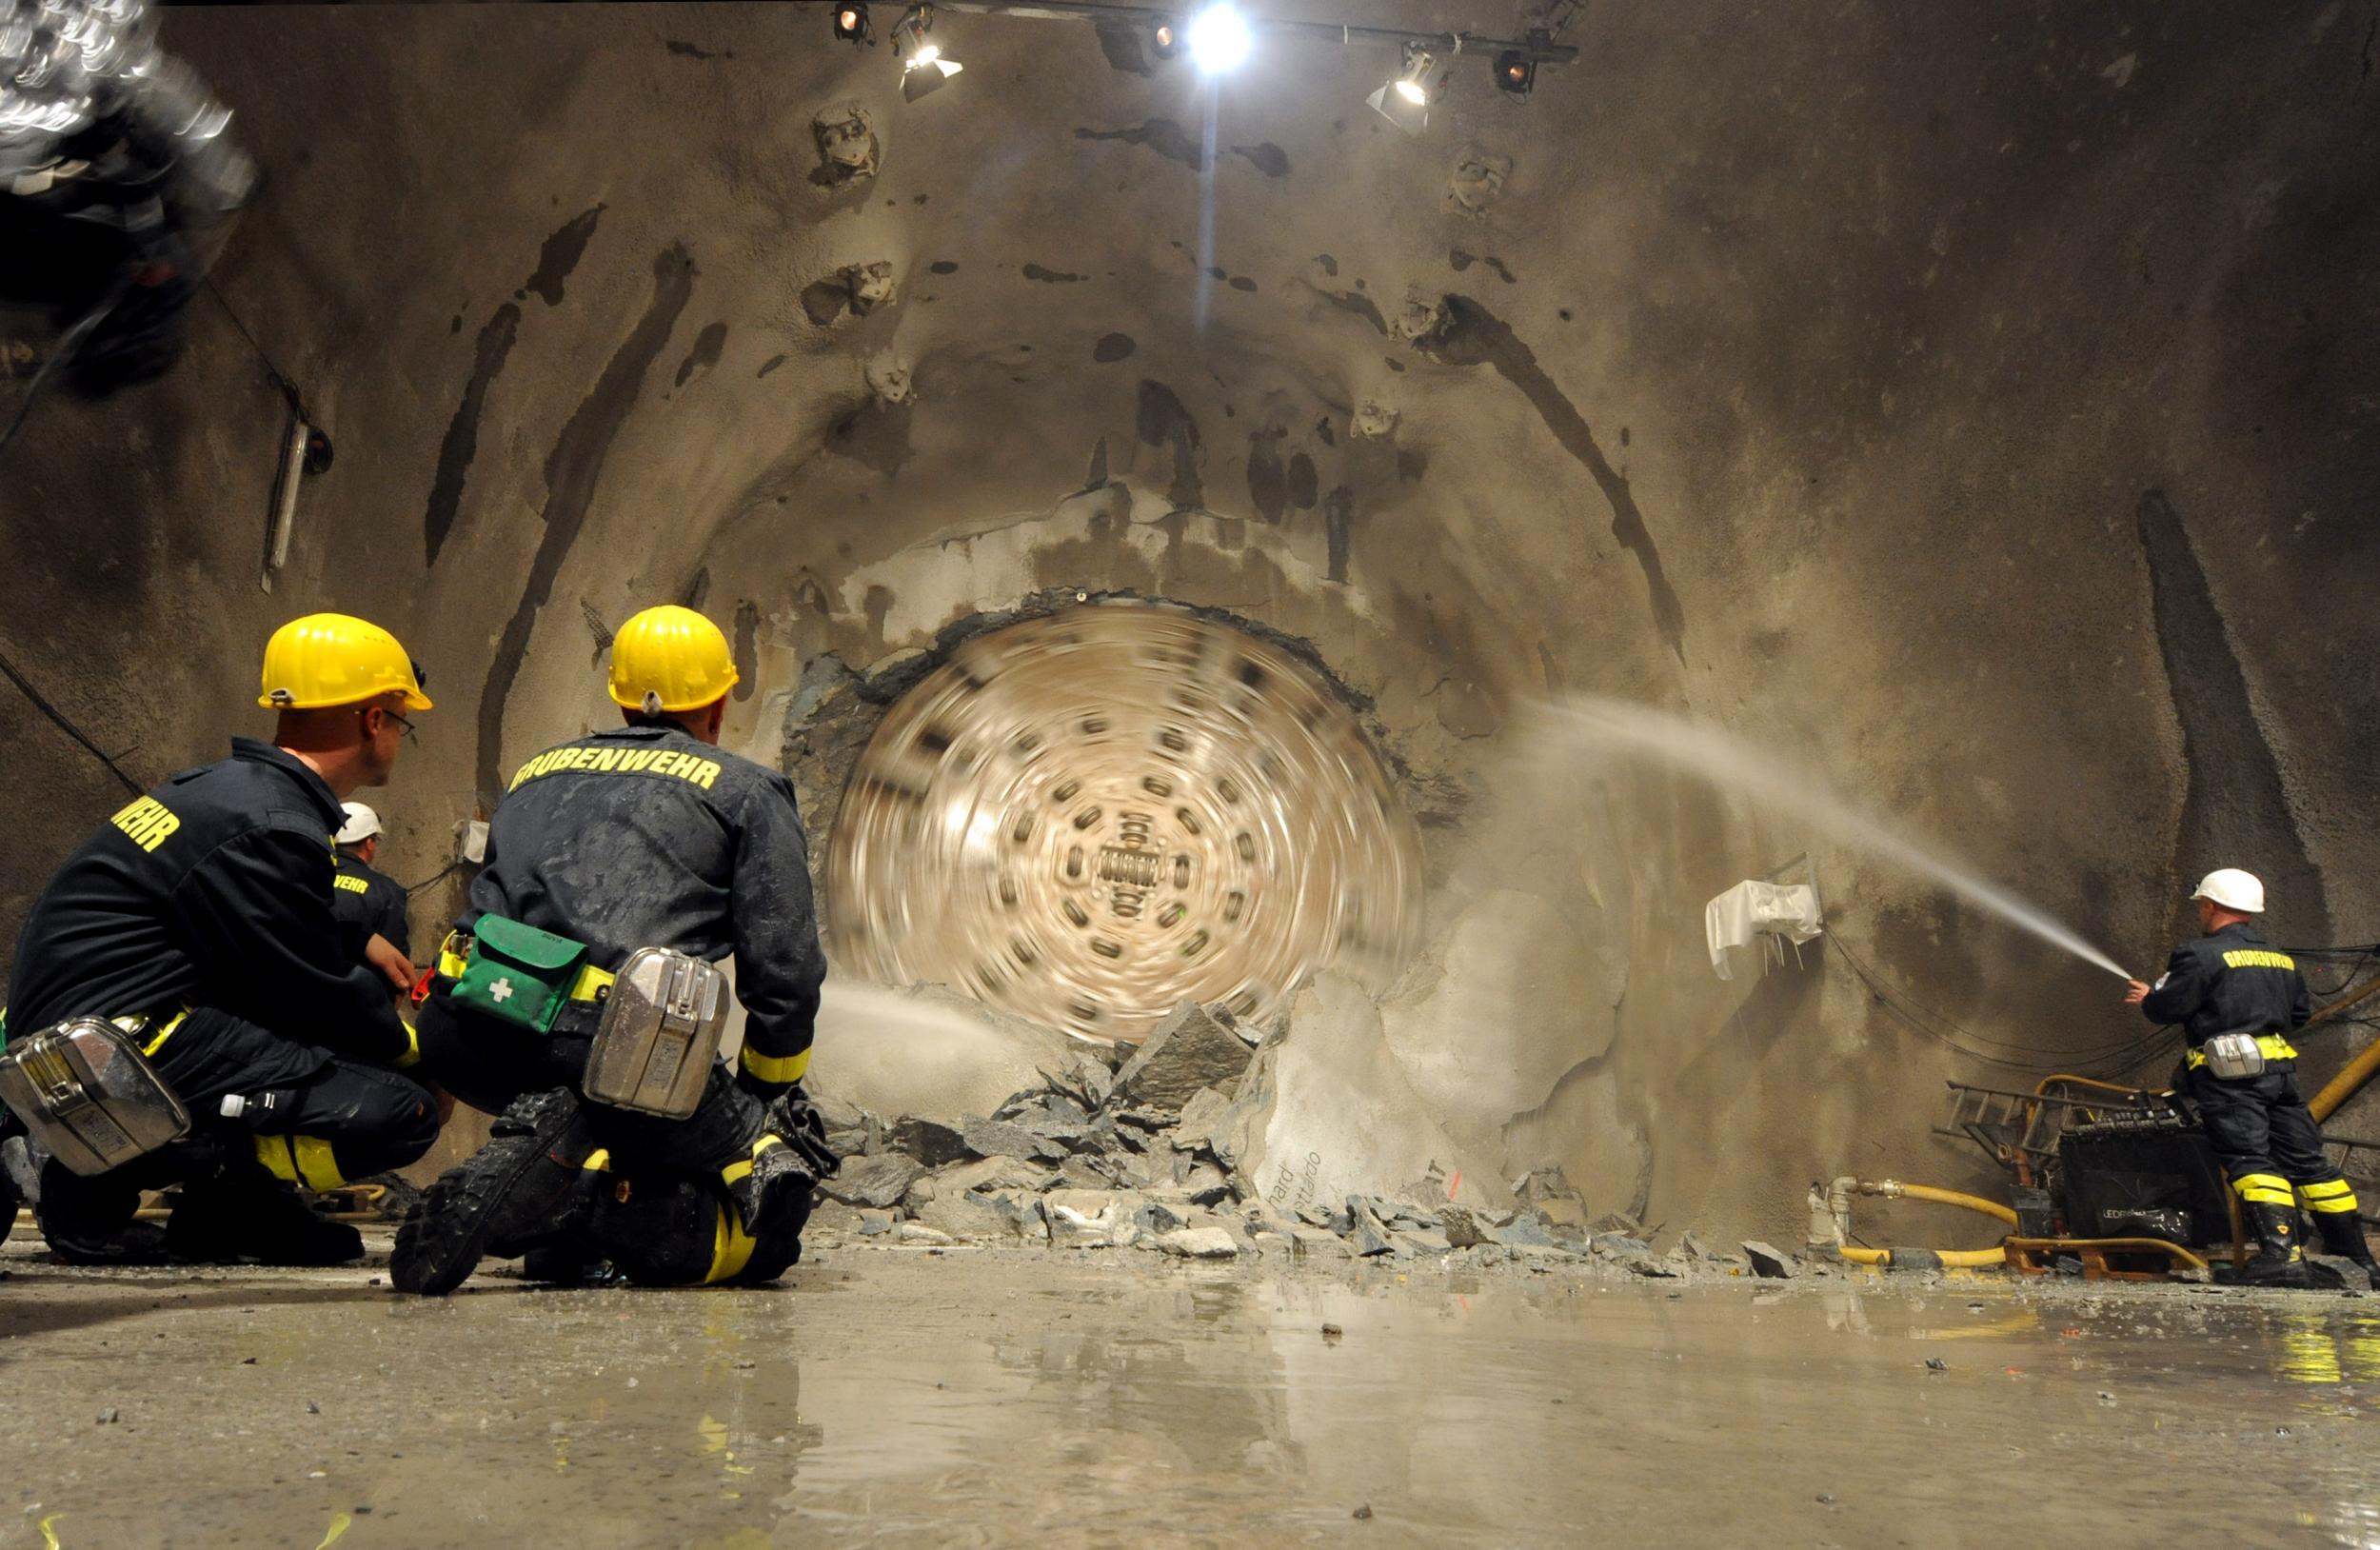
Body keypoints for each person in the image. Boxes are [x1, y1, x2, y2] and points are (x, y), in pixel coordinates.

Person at [394, 605, 834, 1295]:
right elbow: (785, 972)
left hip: (462, 1033)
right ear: (719, 702)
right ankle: (584, 1211)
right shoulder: (746, 792)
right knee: (772, 1211)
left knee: (628, 1125)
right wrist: (762, 1099)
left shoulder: (538, 771)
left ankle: (553, 1211)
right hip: (612, 1050)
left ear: (622, 697)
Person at [2, 613, 442, 1264]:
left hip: (75, 1026)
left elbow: (229, 906)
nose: (399, 737)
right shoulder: (275, 825)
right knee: (401, 1110)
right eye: (403, 721)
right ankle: (113, 1178)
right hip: (116, 1047)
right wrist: (420, 1050)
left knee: (291, 1048)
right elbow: (309, 991)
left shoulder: (224, 792)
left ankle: (216, 1205)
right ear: (373, 719)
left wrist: (360, 937)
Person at [2126, 867, 2380, 1289]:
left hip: (2230, 1078)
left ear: (2210, 906)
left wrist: (2150, 998)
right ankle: (2360, 1262)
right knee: (2311, 1164)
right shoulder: (2280, 958)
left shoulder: (2199, 955)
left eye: (2201, 907)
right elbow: (2299, 1014)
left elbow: (2170, 1008)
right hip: (2281, 1078)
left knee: (2251, 1160)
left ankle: (2282, 1256)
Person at [330, 801, 413, 980]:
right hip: (361, 997)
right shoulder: (387, 890)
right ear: (369, 843)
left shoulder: (310, 877)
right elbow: (395, 951)